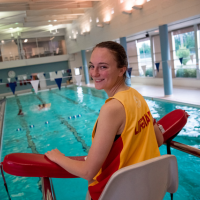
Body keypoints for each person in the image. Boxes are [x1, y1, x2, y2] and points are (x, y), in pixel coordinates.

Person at [45, 41, 163, 200]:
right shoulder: (136, 95)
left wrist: (59, 157)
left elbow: (88, 172)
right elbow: (158, 139)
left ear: (121, 70)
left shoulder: (112, 108)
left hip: (116, 192)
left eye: (103, 67)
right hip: (147, 187)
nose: (94, 73)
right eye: (92, 66)